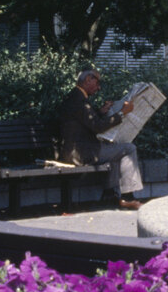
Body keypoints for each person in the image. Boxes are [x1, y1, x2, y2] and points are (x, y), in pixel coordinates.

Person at [56, 68, 144, 209]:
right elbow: (97, 126)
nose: (99, 87)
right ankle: (127, 196)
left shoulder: (75, 96)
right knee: (129, 148)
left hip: (76, 151)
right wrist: (122, 113)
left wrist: (100, 111)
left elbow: (85, 121)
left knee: (116, 152)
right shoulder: (79, 100)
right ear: (88, 80)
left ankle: (110, 196)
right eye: (97, 83)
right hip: (82, 153)